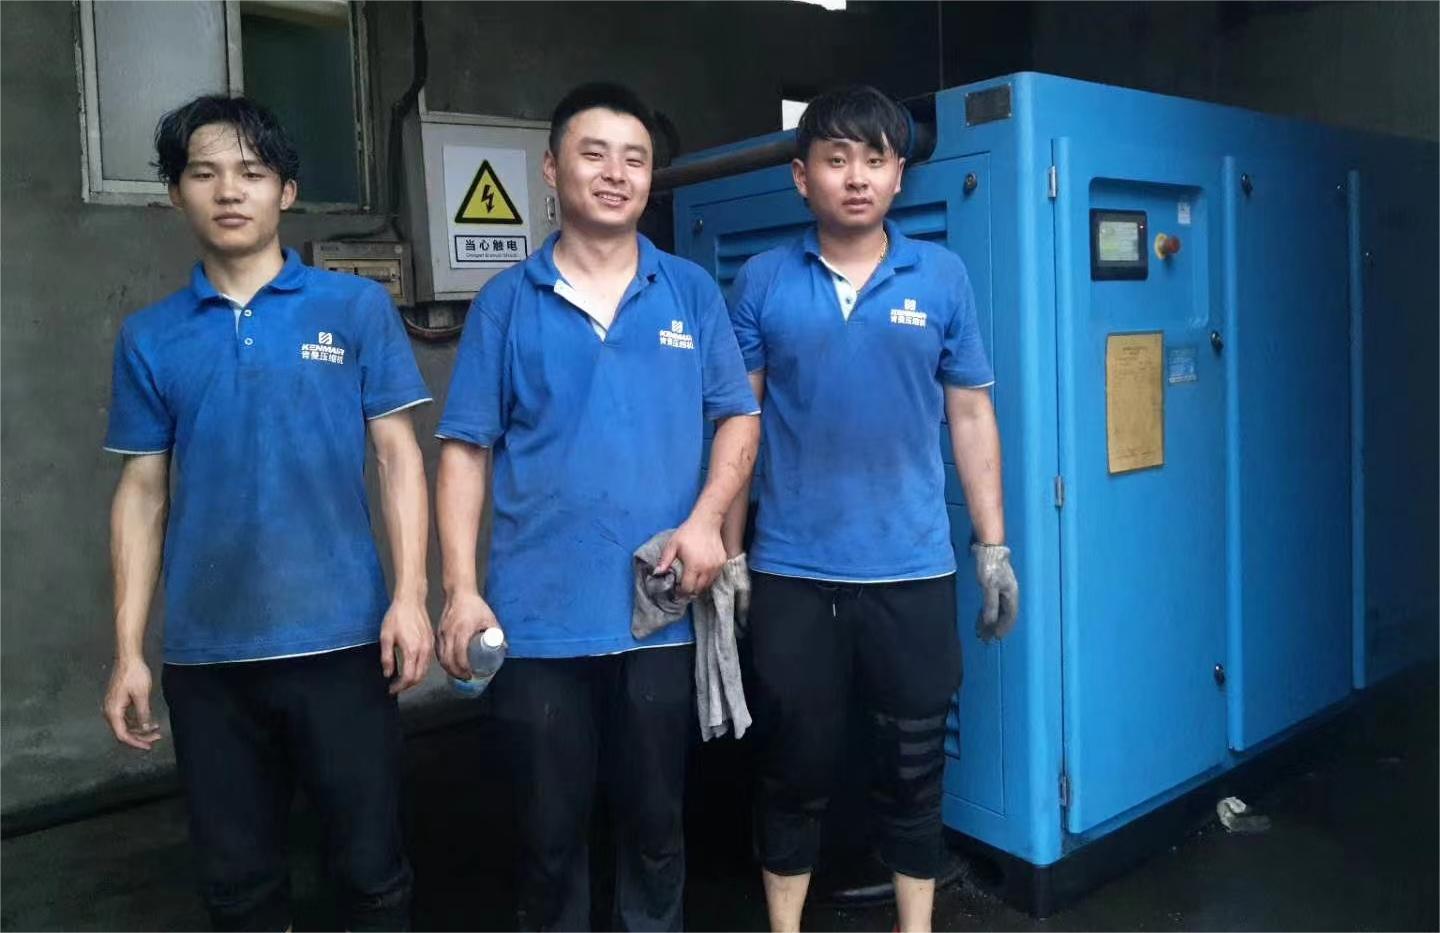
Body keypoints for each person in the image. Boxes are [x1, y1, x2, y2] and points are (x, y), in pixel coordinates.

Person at [101, 94, 433, 931]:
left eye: (251, 172)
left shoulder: (353, 309)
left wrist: (410, 596)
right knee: (239, 888)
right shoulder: (150, 336)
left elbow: (398, 455)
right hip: (210, 662)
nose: (228, 190)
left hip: (345, 644)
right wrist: (129, 650)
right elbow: (142, 491)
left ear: (286, 190)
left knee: (371, 873)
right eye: (203, 173)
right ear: (175, 193)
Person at [433, 82, 760, 932]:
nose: (616, 174)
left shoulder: (689, 291)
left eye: (635, 159)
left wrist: (707, 522)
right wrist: (460, 588)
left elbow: (739, 414)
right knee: (548, 837)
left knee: (656, 827)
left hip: (660, 615)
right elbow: (466, 450)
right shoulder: (507, 303)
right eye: (594, 154)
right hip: (539, 620)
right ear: (551, 169)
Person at [721, 85, 1020, 933]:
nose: (856, 177)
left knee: (915, 769)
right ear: (801, 176)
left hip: (913, 570)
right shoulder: (763, 280)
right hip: (793, 572)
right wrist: (732, 552)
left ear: (898, 176)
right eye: (836, 159)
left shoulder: (942, 275)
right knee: (792, 766)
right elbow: (739, 423)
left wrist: (993, 546)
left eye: (876, 160)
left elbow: (971, 413)